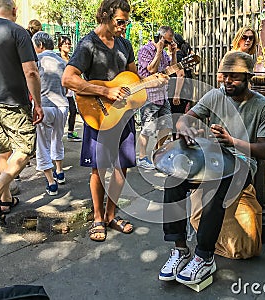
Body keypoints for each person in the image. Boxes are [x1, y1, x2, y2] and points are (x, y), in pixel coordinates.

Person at [158, 51, 265, 284]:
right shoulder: (215, 95)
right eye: (224, 76)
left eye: (234, 77)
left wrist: (232, 141)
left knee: (218, 182)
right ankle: (180, 249)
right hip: (211, 156)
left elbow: (264, 150)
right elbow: (185, 118)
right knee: (174, 177)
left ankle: (204, 256)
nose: (227, 81)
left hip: (242, 163)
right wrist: (186, 128)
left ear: (248, 77)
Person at [61, 0, 167, 241]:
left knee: (122, 168)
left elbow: (133, 79)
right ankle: (98, 218)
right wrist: (104, 91)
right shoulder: (88, 44)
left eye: (126, 22)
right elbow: (68, 79)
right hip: (98, 114)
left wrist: (153, 81)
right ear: (106, 16)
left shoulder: (125, 44)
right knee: (99, 169)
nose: (123, 26)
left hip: (123, 114)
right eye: (120, 22)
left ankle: (110, 215)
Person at [0, 0, 43, 225]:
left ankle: (5, 201)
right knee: (24, 148)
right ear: (14, 11)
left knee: (2, 150)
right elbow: (31, 71)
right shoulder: (18, 32)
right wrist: (38, 104)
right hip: (12, 102)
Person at [33, 32, 69, 195]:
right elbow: (67, 87)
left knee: (42, 144)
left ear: (40, 45)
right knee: (57, 139)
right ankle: (59, 172)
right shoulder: (62, 62)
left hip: (44, 106)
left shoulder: (37, 61)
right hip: (62, 106)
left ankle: (51, 182)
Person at [137, 26, 177, 169]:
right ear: (158, 38)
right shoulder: (145, 50)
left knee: (166, 126)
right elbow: (151, 69)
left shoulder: (166, 53)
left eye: (169, 43)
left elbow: (173, 70)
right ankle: (142, 157)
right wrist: (159, 50)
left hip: (162, 94)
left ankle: (157, 153)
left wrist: (173, 54)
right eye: (166, 42)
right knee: (148, 128)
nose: (167, 45)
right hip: (148, 94)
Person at [168, 33, 194, 138]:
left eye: (169, 42)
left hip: (179, 91)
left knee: (176, 120)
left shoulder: (178, 56)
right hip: (187, 90)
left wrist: (176, 94)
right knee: (182, 119)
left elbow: (180, 74)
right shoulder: (184, 55)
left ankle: (177, 144)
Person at [58, 36, 82, 142]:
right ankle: (58, 135)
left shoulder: (71, 59)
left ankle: (71, 133)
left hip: (70, 91)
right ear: (60, 46)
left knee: (73, 111)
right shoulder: (57, 58)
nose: (68, 45)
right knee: (61, 113)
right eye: (65, 44)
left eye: (69, 44)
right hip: (61, 91)